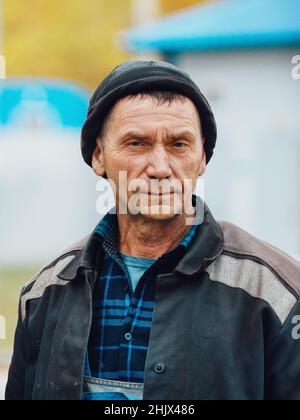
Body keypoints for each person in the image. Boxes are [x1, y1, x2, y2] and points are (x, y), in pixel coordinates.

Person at [6, 60, 300, 400]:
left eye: (178, 144)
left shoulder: (277, 295)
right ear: (99, 156)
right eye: (136, 144)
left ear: (202, 156)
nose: (160, 168)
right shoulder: (46, 293)